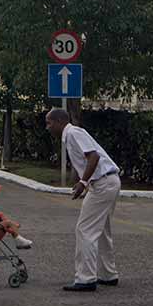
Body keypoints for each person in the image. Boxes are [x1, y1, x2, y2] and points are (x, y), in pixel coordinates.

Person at [45, 108, 121, 292]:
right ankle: (108, 274)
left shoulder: (73, 132)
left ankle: (86, 279)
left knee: (85, 229)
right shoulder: (71, 134)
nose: (47, 127)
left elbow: (93, 156)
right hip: (107, 182)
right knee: (101, 230)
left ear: (59, 121)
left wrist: (83, 182)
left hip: (102, 184)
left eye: (49, 123)